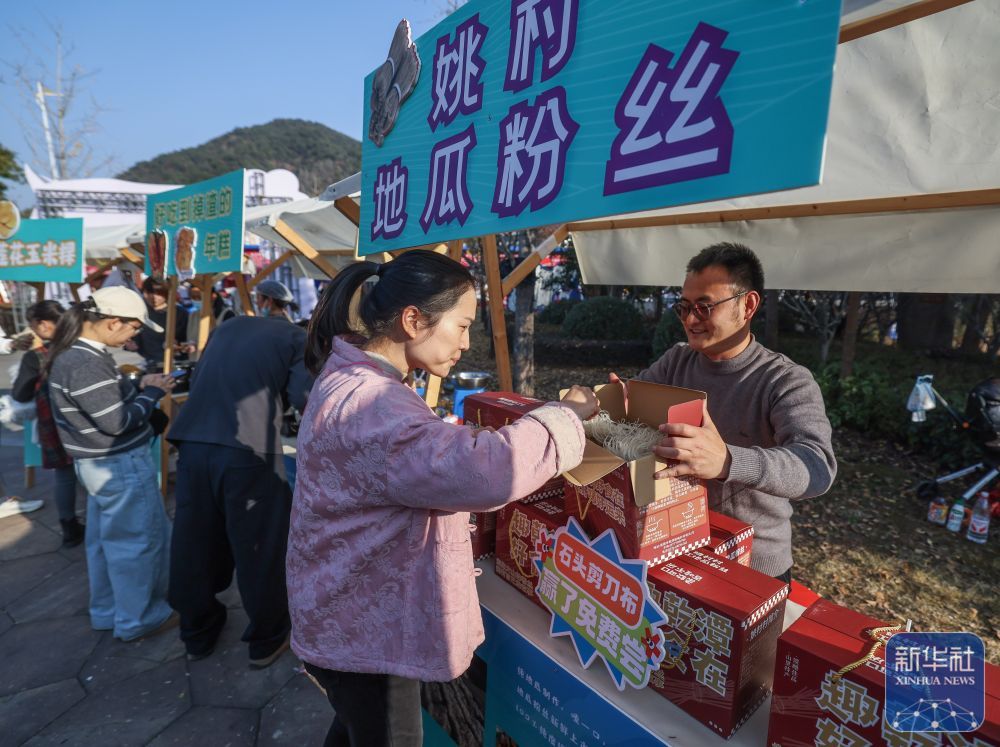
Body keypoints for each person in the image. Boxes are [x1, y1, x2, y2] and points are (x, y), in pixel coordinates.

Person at [286, 250, 597, 747]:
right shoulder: (374, 403)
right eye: (462, 325)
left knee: (353, 729)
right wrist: (566, 415)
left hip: (344, 613)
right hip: (368, 633)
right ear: (413, 320)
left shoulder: (355, 377)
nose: (467, 343)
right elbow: (489, 471)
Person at [623, 242, 836, 583]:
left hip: (753, 562)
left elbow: (817, 466)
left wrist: (727, 461)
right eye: (684, 307)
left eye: (704, 307)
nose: (690, 320)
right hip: (674, 540)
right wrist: (609, 402)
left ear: (748, 305)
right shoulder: (677, 360)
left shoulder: (784, 380)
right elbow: (632, 401)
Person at [166, 278, 311, 668]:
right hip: (248, 448)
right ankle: (267, 638)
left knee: (195, 540)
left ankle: (197, 633)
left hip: (192, 443)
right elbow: (307, 398)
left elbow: (202, 379)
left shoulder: (227, 327)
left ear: (264, 302)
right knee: (260, 546)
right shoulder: (297, 338)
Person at [46, 287, 177, 641]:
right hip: (117, 463)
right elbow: (117, 422)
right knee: (138, 542)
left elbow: (103, 405)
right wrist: (152, 394)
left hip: (98, 464)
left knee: (107, 543)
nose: (134, 336)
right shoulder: (85, 361)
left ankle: (109, 611)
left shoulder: (74, 354)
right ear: (113, 322)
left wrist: (138, 385)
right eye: (134, 328)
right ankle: (140, 618)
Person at [10, 300, 84, 545]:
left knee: (65, 476)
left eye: (32, 325)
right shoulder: (82, 347)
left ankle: (69, 528)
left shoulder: (37, 356)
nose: (32, 331)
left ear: (43, 325)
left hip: (56, 424)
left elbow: (20, 394)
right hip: (87, 420)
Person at [132, 277, 188, 369]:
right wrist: (131, 344)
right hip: (150, 362)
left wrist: (179, 345)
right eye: (150, 293)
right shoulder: (140, 312)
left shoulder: (180, 313)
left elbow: (187, 338)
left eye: (159, 293)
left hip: (177, 362)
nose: (154, 297)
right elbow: (135, 338)